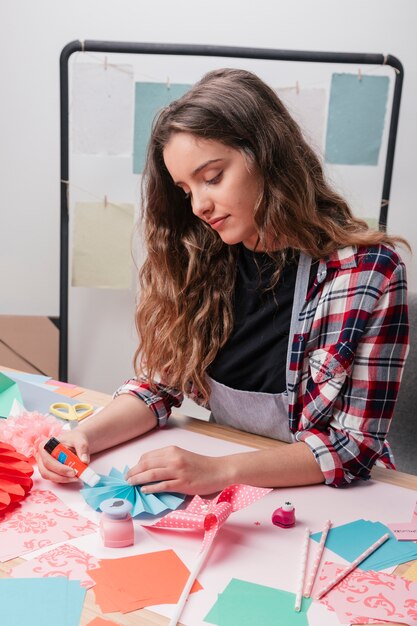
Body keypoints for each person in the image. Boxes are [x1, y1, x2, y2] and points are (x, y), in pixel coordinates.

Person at [37, 68, 410, 495]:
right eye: (185, 189)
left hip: (328, 492)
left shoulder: (368, 273)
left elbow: (352, 447)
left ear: (268, 155)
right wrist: (84, 435)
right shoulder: (201, 258)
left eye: (212, 177)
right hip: (234, 486)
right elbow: (158, 387)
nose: (199, 205)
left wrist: (220, 472)